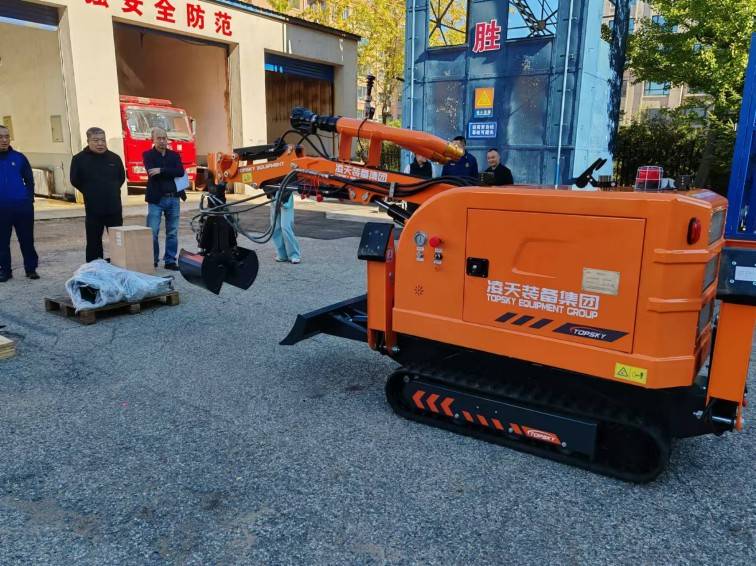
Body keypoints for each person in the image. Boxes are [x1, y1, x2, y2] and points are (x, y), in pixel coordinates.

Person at [70, 127, 125, 262]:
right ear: (88, 141)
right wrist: (90, 191)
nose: (100, 143)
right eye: (95, 140)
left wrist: (111, 190)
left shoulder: (114, 158)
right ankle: (94, 267)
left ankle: (119, 265)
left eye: (103, 140)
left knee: (118, 240)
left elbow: (121, 178)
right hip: (93, 208)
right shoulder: (79, 159)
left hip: (114, 207)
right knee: (93, 241)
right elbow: (75, 180)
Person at [143, 127, 186, 270]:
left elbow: (180, 172)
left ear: (167, 139)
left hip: (173, 198)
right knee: (153, 232)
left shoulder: (174, 155)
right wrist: (170, 171)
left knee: (172, 232)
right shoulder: (148, 155)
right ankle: (153, 260)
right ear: (153, 140)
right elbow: (151, 172)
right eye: (159, 138)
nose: (162, 141)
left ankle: (170, 261)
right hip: (156, 200)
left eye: (164, 138)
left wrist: (161, 170)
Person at [0, 125, 39, 282]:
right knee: (2, 242)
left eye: (6, 136)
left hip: (22, 208)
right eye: (0, 137)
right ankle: (5, 271)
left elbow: (29, 180)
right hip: (1, 209)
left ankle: (31, 269)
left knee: (27, 240)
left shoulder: (19, 157)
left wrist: (29, 200)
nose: (4, 140)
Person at [271, 188, 301, 264]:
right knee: (275, 227)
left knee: (285, 227)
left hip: (286, 195)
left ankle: (294, 255)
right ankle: (282, 254)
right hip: (273, 193)